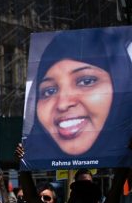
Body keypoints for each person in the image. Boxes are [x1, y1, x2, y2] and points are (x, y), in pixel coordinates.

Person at [23, 30, 132, 167]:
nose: (63, 104)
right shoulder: (29, 160)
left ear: (120, 85)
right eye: (49, 91)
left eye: (86, 81)